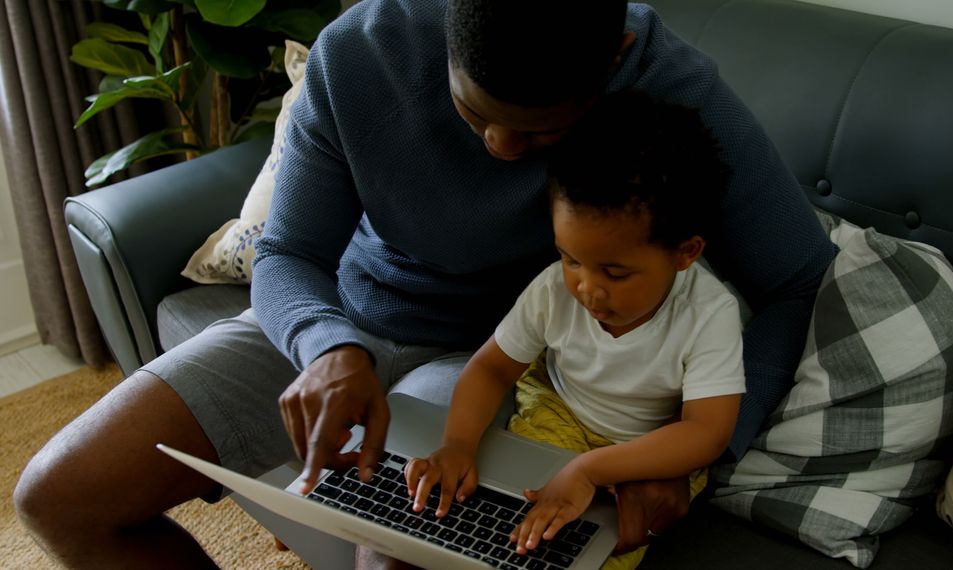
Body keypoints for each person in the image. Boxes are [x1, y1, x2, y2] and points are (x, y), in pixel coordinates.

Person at [13, 0, 836, 568]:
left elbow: (797, 274)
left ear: (614, 59)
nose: (502, 149)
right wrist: (325, 344)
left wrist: (702, 456)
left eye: (542, 132)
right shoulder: (360, 52)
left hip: (497, 360)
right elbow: (289, 252)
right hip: (343, 318)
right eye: (475, 113)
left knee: (397, 550)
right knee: (58, 497)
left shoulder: (676, 90)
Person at [405, 91, 745, 570]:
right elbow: (491, 370)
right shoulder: (553, 290)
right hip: (560, 410)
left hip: (649, 449)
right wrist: (458, 444)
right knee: (503, 528)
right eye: (570, 259)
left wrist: (590, 469)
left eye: (615, 273)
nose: (586, 289)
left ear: (685, 253)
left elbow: (706, 433)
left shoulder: (709, 314)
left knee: (588, 556)